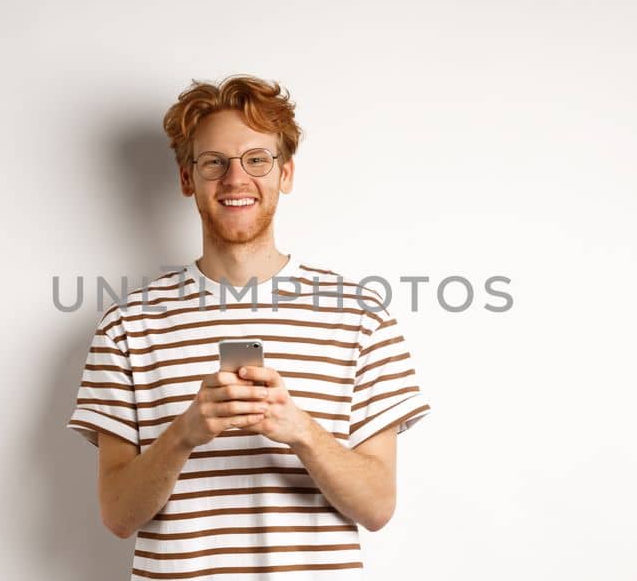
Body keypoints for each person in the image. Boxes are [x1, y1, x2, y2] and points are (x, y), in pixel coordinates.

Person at [66, 74, 432, 580]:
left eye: (256, 159)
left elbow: (377, 508)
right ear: (186, 178)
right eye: (214, 162)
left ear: (285, 173)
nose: (236, 180)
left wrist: (300, 431)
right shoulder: (127, 325)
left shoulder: (362, 317)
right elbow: (118, 516)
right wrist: (184, 434)